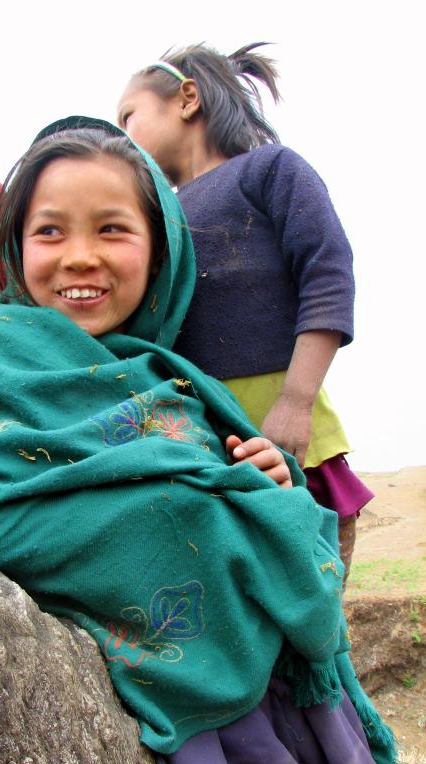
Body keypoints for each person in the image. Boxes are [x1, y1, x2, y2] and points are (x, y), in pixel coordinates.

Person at [0, 117, 399, 764]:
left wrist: (268, 481)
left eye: (112, 229)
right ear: (16, 245)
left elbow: (234, 480)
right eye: (50, 231)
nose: (79, 256)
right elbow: (5, 516)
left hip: (290, 692)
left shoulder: (168, 371)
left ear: (159, 254)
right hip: (207, 711)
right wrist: (216, 512)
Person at [117, 43, 373, 585]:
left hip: (284, 424)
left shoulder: (269, 169)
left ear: (187, 99)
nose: (121, 136)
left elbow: (327, 274)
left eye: (128, 116)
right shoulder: (154, 217)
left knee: (309, 590)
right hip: (196, 435)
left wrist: (296, 402)